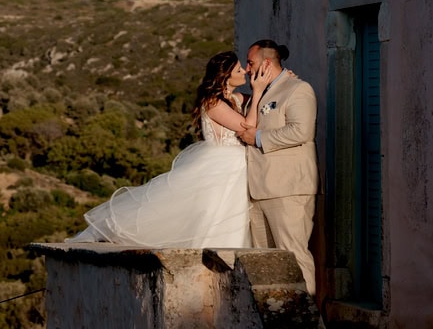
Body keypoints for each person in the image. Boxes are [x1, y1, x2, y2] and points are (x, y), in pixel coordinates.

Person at [71, 51, 271, 248]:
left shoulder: (235, 99)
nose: (245, 71)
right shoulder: (213, 102)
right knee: (211, 213)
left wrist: (278, 83)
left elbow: (259, 101)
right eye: (239, 69)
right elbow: (247, 126)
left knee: (229, 214)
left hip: (235, 165)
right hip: (220, 165)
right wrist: (258, 91)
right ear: (226, 76)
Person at [235, 39, 319, 295]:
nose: (247, 69)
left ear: (267, 63)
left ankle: (307, 325)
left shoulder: (297, 89)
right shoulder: (257, 93)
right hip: (257, 190)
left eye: (250, 63)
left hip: (288, 189)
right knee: (266, 261)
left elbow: (301, 131)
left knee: (293, 256)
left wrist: (258, 138)